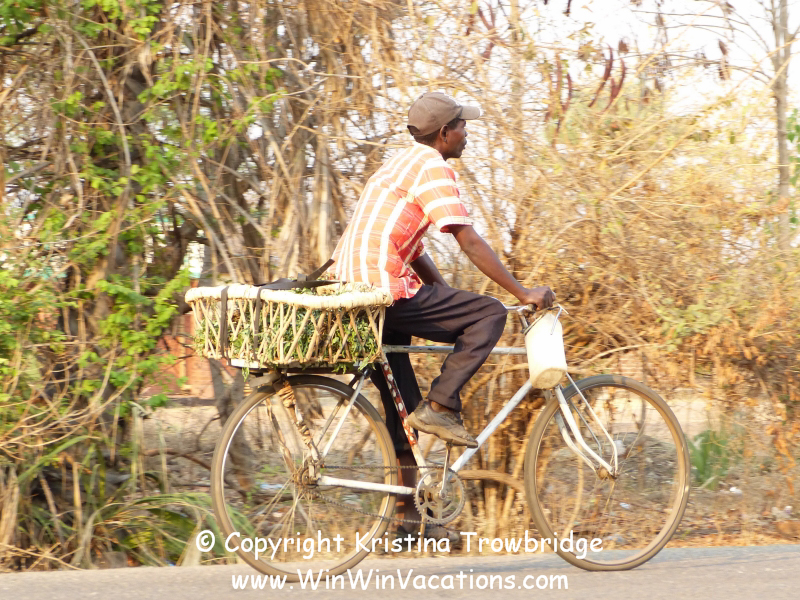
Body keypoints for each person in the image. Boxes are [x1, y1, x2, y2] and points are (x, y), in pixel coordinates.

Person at [329, 91, 555, 542]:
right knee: (488, 314)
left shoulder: (399, 163)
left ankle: (408, 523)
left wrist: (446, 296)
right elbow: (467, 240)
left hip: (354, 292)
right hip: (381, 288)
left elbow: (415, 251)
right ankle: (439, 407)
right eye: (462, 126)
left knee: (402, 409)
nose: (467, 133)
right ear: (445, 133)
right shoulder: (434, 166)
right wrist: (522, 293)